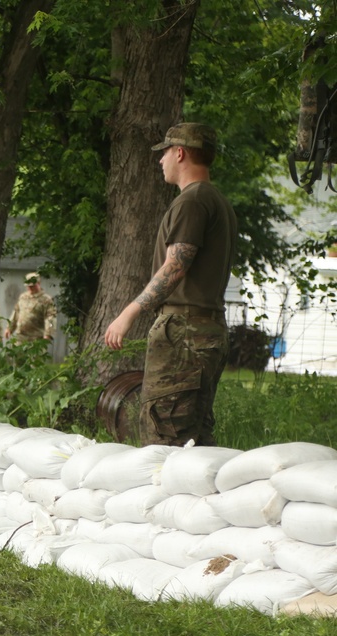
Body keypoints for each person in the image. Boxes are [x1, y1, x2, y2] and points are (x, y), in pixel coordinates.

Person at [104, 122, 237, 447]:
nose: (160, 160)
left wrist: (129, 312)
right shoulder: (215, 200)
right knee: (194, 437)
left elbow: (176, 265)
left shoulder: (193, 202)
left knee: (165, 436)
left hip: (185, 334)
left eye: (164, 153)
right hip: (202, 331)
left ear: (180, 153)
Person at [4, 272, 56, 342]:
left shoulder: (46, 300)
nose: (30, 288)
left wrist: (48, 334)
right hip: (21, 336)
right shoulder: (23, 297)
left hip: (37, 337)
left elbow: (50, 317)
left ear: (39, 283)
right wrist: (9, 328)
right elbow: (16, 313)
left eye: (32, 286)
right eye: (28, 286)